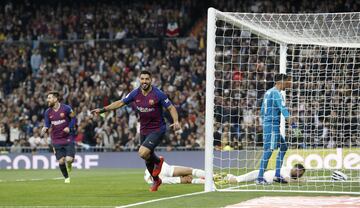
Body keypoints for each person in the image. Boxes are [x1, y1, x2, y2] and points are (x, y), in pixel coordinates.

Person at [91, 70, 181, 192]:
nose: (144, 81)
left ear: (151, 80)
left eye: (146, 79)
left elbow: (171, 107)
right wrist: (102, 110)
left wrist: (176, 121)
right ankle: (156, 179)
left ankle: (159, 162)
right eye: (142, 79)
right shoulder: (135, 93)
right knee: (147, 157)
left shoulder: (158, 94)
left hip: (157, 128)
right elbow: (120, 102)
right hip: (143, 129)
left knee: (142, 152)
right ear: (139, 79)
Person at [257, 74, 294, 184]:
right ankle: (259, 178)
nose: (290, 84)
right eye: (288, 81)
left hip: (269, 124)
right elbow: (282, 107)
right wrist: (290, 120)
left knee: (283, 147)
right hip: (272, 126)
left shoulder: (268, 92)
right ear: (280, 82)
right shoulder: (276, 93)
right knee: (269, 150)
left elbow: (262, 110)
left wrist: (266, 121)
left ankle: (277, 175)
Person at [41, 91, 77, 184]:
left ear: (55, 99)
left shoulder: (66, 108)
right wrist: (45, 128)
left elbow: (73, 118)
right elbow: (47, 124)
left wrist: (69, 128)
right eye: (47, 98)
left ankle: (69, 164)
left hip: (68, 137)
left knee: (69, 159)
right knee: (61, 161)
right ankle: (66, 178)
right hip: (56, 139)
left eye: (49, 98)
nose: (47, 100)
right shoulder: (48, 112)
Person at [218, 164, 305, 184]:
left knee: (238, 178)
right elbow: (287, 180)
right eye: (299, 172)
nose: (299, 174)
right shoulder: (286, 170)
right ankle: (218, 178)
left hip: (263, 178)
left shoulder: (289, 173)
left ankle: (222, 176)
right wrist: (299, 181)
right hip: (260, 175)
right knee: (238, 179)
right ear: (295, 168)